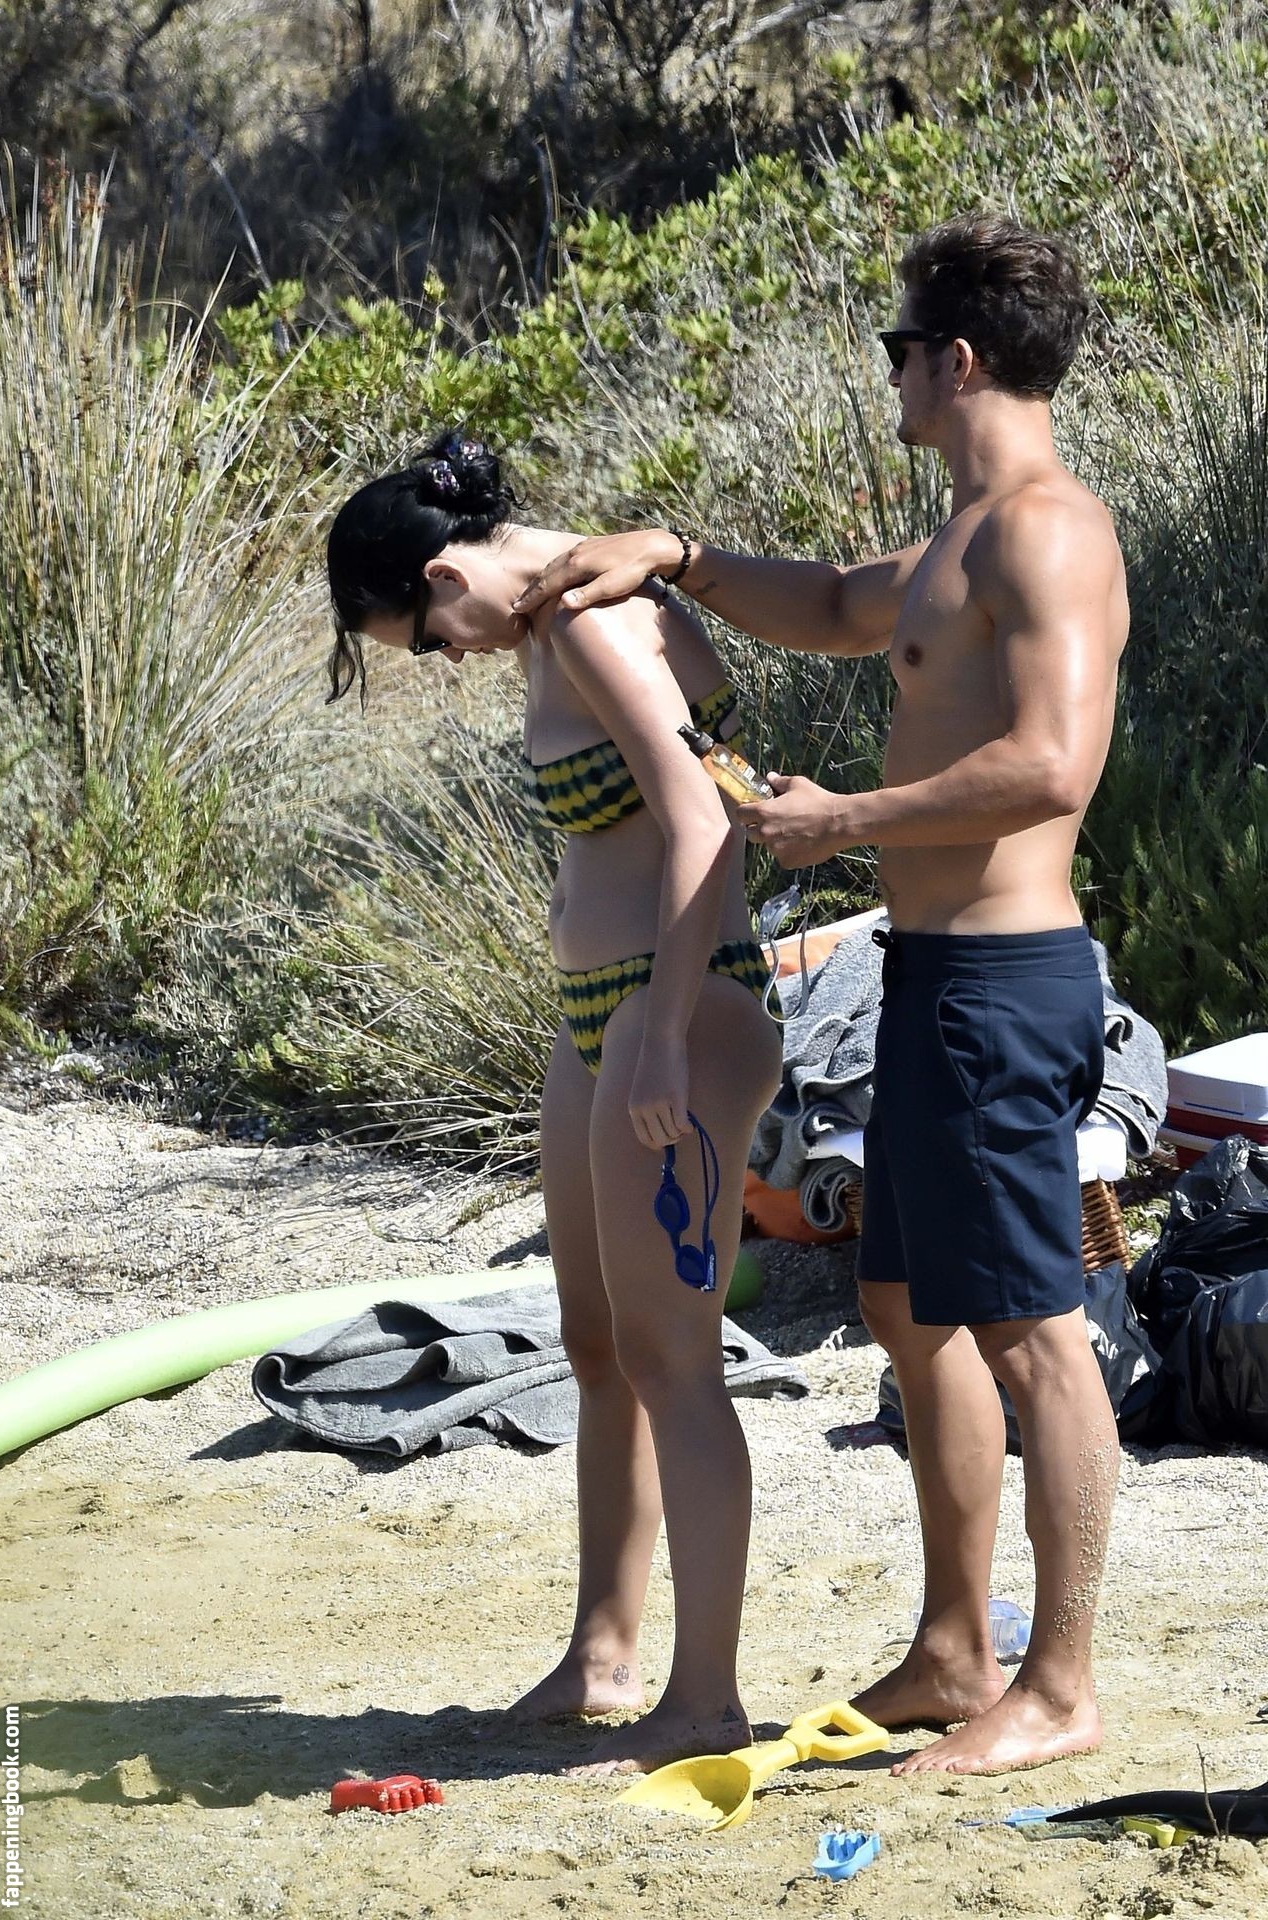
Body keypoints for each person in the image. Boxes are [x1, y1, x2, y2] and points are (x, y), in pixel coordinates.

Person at [513, 214, 1129, 1778]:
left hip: (1002, 985)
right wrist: (680, 555)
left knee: (1036, 1333)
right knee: (908, 1310)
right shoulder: (961, 538)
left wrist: (843, 820)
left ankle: (1060, 1686)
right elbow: (844, 606)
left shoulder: (1048, 532)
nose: (891, 375)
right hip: (930, 980)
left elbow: (1053, 764)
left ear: (957, 359)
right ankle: (956, 1647)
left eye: (898, 348)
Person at [325, 430, 783, 1774]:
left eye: (424, 637)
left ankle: (706, 1698)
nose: (440, 659)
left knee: (673, 1357)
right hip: (609, 1011)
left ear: (442, 574)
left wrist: (660, 1036)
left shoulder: (588, 619)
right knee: (596, 1343)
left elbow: (703, 817)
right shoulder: (554, 614)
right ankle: (603, 1650)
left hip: (673, 1010)